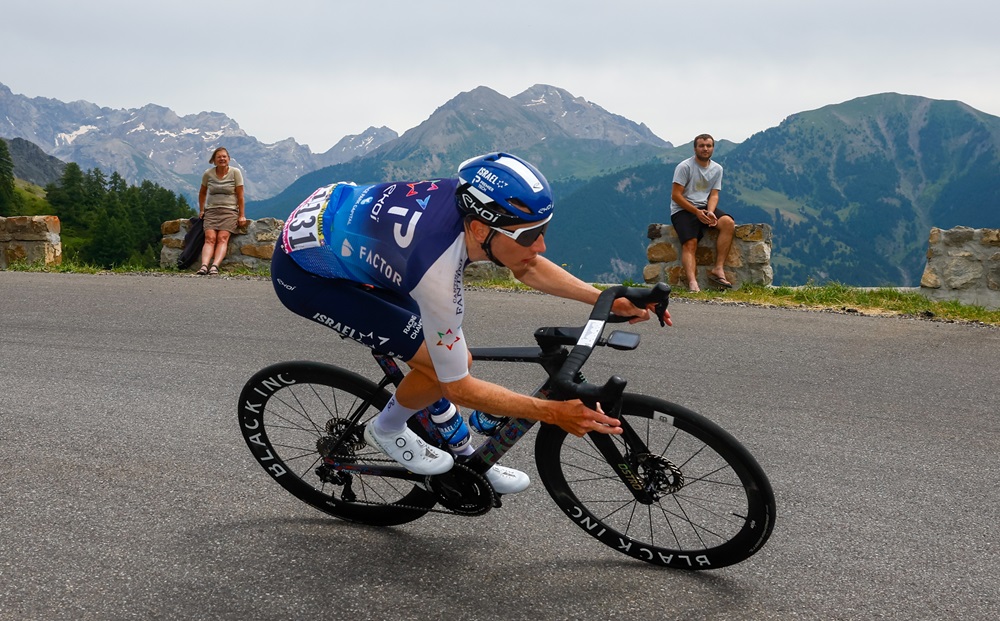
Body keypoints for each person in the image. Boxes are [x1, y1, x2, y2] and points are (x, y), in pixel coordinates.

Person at [270, 152, 671, 494]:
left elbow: (526, 265)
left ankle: (464, 453)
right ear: (480, 228)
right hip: (308, 275)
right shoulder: (437, 273)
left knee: (445, 358)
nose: (542, 245)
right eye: (531, 235)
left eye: (543, 231)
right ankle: (387, 428)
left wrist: (604, 297)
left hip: (352, 234)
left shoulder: (470, 202)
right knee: (444, 366)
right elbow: (457, 386)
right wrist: (552, 413)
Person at [669, 134, 736, 291]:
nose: (705, 149)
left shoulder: (717, 169)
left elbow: (714, 194)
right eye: (701, 146)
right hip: (683, 209)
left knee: (728, 223)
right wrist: (697, 212)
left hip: (704, 207)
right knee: (690, 243)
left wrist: (710, 212)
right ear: (695, 148)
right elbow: (676, 195)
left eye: (708, 145)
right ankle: (693, 283)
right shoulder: (684, 167)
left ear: (713, 148)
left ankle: (718, 268)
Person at [197, 147, 247, 275]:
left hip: (229, 211)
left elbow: (240, 196)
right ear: (214, 160)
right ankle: (204, 266)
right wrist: (202, 209)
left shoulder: (235, 172)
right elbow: (202, 193)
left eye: (224, 156)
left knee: (222, 238)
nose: (222, 159)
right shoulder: (208, 174)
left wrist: (241, 215)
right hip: (212, 210)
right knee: (210, 238)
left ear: (229, 159)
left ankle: (215, 266)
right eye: (219, 157)